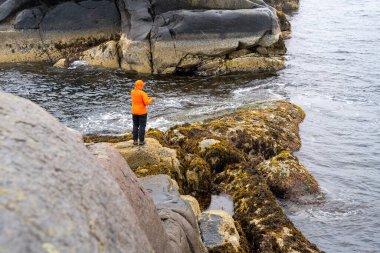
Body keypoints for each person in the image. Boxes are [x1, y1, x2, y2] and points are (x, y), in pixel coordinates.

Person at [131, 79, 155, 145]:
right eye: (142, 85)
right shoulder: (143, 93)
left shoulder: (132, 92)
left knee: (135, 125)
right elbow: (146, 103)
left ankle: (135, 141)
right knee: (142, 126)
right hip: (142, 113)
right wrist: (151, 99)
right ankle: (141, 141)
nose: (143, 86)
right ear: (141, 86)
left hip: (134, 112)